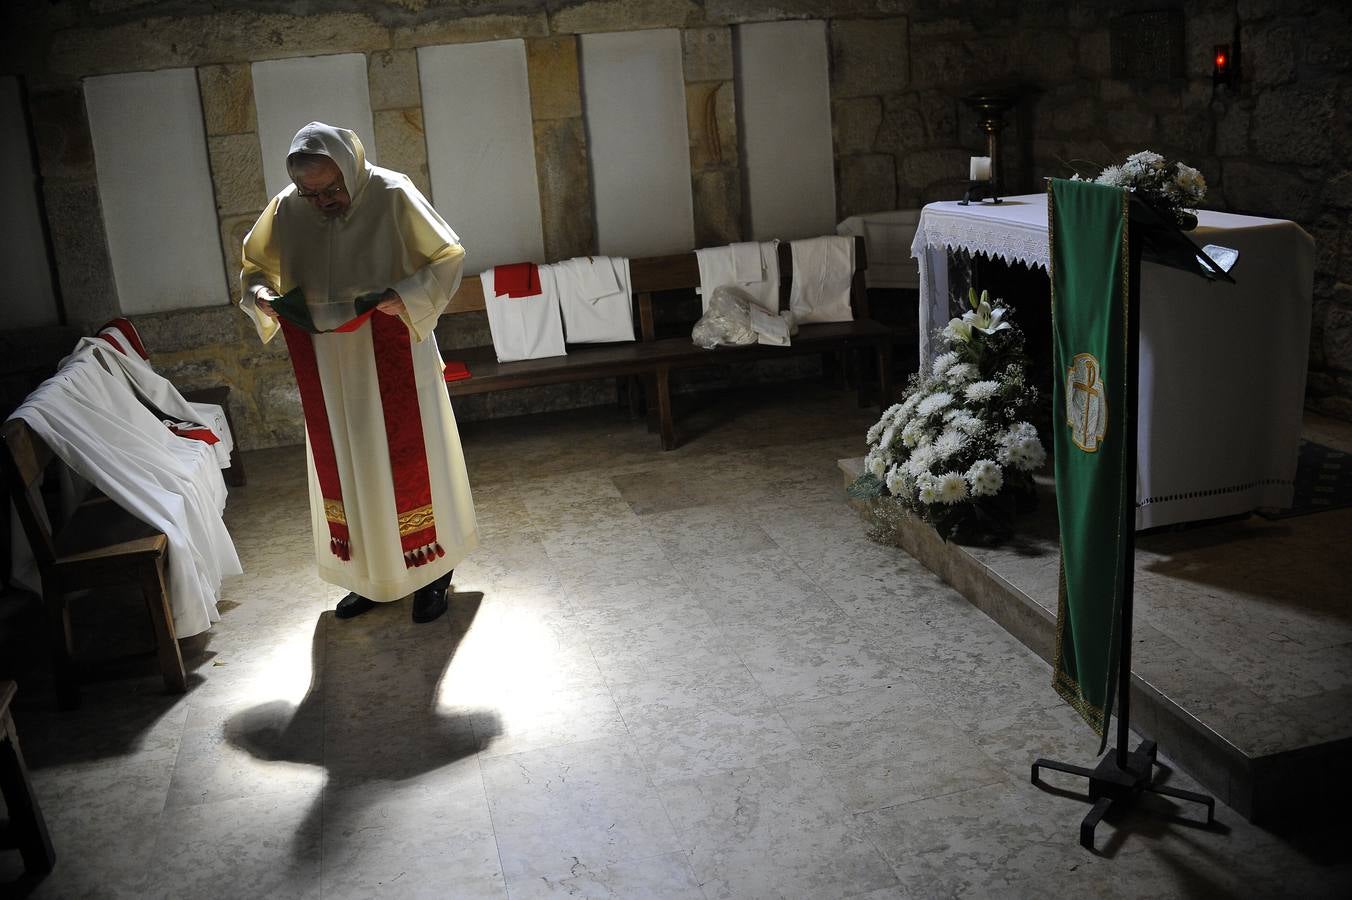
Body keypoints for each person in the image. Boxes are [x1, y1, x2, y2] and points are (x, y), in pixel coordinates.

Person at [239, 121, 478, 624]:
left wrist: (404, 297)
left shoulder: (391, 193)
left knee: (414, 460)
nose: (322, 201)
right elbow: (255, 267)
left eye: (331, 189)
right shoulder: (287, 208)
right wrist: (260, 294)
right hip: (326, 364)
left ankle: (433, 573)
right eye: (311, 193)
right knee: (349, 466)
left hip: (391, 349)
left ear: (350, 168)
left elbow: (447, 255)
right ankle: (369, 577)